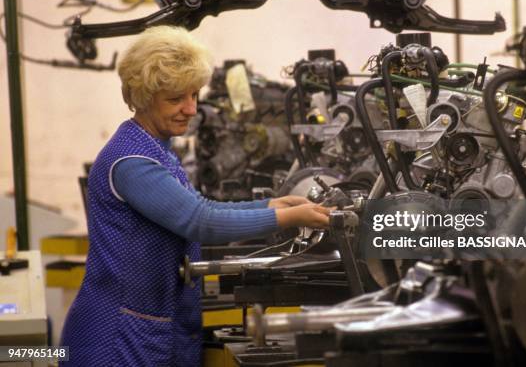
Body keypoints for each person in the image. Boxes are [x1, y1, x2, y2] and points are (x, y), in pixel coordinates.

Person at [60, 25, 331, 366]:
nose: (190, 109)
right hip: (115, 338)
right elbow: (198, 221)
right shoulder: (131, 162)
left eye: (193, 96)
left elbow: (198, 206)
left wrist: (271, 204)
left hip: (147, 325)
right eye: (176, 99)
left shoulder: (157, 149)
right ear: (143, 97)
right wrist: (286, 218)